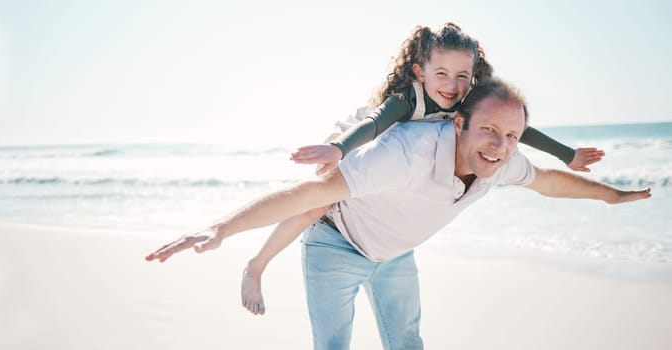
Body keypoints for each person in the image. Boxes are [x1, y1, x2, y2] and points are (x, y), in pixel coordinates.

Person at [145, 77, 650, 349]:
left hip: (395, 256)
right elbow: (307, 193)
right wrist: (222, 228)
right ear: (457, 124)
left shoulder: (501, 162)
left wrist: (611, 196)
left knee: (408, 342)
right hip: (335, 244)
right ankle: (256, 267)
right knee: (334, 345)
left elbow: (549, 181)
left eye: (512, 136)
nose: (500, 147)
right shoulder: (406, 152)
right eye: (489, 131)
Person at [240, 23, 603, 316]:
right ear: (420, 70)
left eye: (463, 75)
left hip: (390, 164)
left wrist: (567, 154)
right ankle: (257, 265)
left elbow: (519, 127)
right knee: (317, 205)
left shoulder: (469, 102)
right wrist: (338, 148)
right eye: (441, 73)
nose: (452, 84)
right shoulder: (406, 100)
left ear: (474, 75)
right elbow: (374, 124)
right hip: (361, 139)